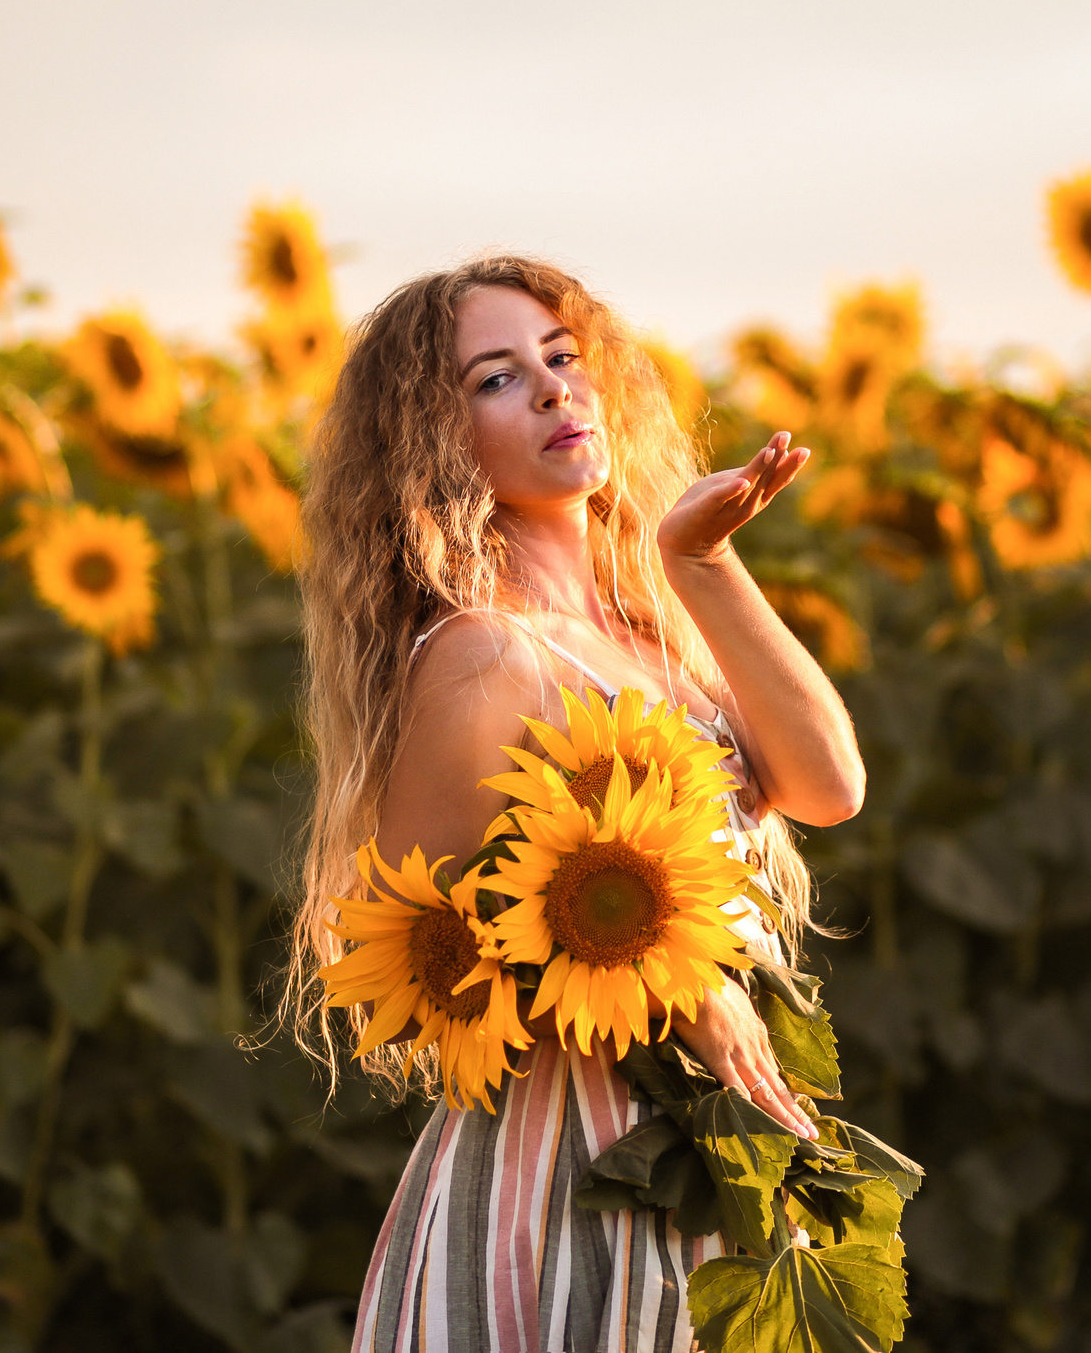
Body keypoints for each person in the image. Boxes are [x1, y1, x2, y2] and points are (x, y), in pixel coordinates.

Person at [280, 255, 867, 1353]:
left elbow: (830, 785)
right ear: (433, 441)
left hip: (702, 1159)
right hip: (568, 1176)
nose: (554, 388)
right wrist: (676, 985)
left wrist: (697, 561)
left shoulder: (651, 641)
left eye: (561, 358)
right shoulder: (480, 655)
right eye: (496, 379)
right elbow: (429, 941)